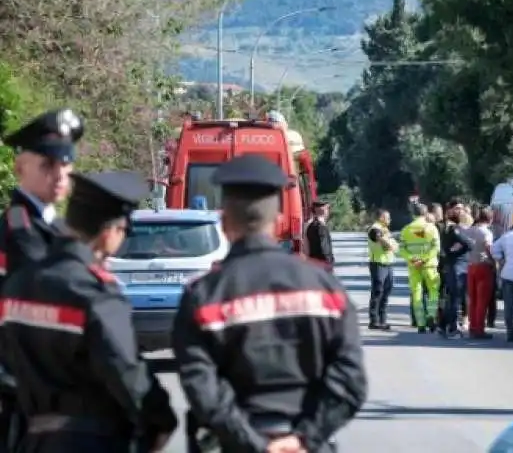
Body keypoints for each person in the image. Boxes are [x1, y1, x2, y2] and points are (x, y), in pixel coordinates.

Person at [172, 154, 366, 453]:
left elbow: (203, 389)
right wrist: (305, 439)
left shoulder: (203, 296)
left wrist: (253, 444)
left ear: (223, 223)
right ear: (277, 222)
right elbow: (350, 381)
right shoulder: (327, 290)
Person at [0, 170, 177, 452]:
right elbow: (126, 370)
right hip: (90, 441)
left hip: (27, 439)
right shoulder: (95, 295)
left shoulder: (18, 284)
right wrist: (161, 420)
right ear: (109, 233)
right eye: (124, 231)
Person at [0, 109, 84, 452]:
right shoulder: (19, 230)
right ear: (21, 168)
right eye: (47, 165)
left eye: (65, 165)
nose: (59, 175)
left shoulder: (58, 228)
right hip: (20, 390)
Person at [398, 203, 441, 333]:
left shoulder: (406, 230)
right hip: (429, 265)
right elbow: (436, 248)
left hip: (413, 266)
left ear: (413, 214)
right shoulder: (431, 228)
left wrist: (412, 259)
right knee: (433, 291)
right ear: (425, 213)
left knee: (417, 293)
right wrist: (424, 259)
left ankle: (421, 323)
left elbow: (401, 249)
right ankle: (431, 315)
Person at [439, 200, 472, 337]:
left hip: (453, 265)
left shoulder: (450, 228)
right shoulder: (454, 229)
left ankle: (443, 325)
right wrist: (456, 251)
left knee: (452, 298)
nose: (462, 212)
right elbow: (468, 244)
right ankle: (452, 328)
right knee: (455, 299)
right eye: (459, 210)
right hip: (458, 267)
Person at [465, 206, 494, 339]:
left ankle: (472, 326)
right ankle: (479, 329)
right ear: (490, 218)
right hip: (483, 266)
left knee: (473, 299)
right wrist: (495, 260)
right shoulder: (486, 232)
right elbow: (489, 247)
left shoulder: (469, 230)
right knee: (482, 300)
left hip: (471, 266)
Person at [367, 209, 397, 331]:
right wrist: (390, 245)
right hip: (378, 264)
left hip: (388, 263)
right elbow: (383, 242)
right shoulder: (375, 229)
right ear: (381, 218)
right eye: (387, 217)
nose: (390, 220)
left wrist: (392, 245)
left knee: (386, 291)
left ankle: (382, 319)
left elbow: (395, 245)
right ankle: (374, 320)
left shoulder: (385, 230)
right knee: (378, 291)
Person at [305, 200, 334, 272]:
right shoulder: (321, 227)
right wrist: (329, 263)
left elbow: (306, 248)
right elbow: (324, 249)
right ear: (323, 210)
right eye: (327, 208)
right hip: (322, 266)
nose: (328, 211)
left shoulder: (309, 226)